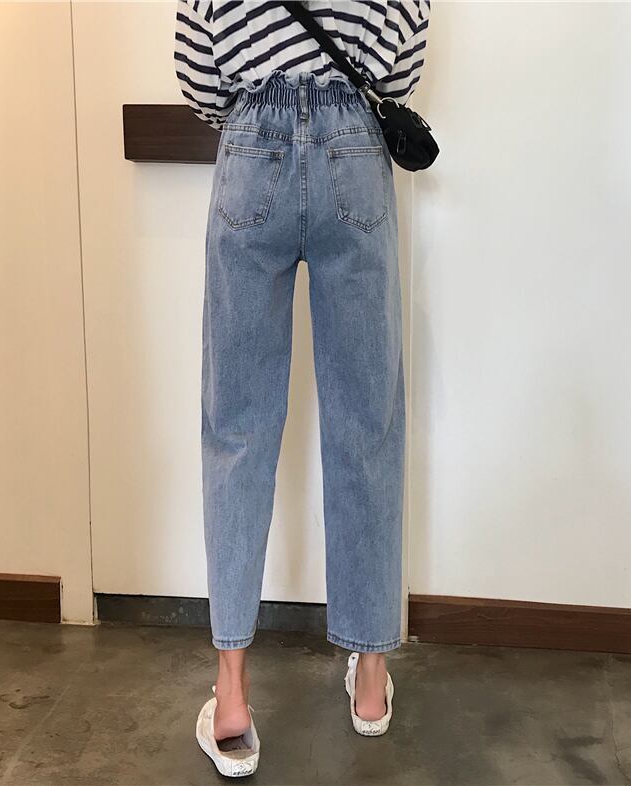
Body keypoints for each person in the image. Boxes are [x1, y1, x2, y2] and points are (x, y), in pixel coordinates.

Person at [174, 0, 430, 776]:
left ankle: (231, 699)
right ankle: (371, 684)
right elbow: (403, 65)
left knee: (237, 426)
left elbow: (198, 76)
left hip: (252, 148)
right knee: (366, 422)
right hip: (353, 149)